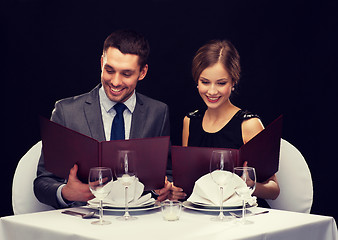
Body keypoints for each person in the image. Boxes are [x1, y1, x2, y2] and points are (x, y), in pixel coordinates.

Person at [34, 29, 171, 209]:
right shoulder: (66, 111)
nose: (115, 82)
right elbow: (42, 182)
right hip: (84, 223)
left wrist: (165, 188)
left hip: (137, 221)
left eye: (126, 74)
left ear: (142, 72)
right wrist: (66, 193)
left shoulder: (158, 113)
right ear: (101, 63)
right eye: (109, 70)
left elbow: (167, 174)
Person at [170, 40, 280, 204]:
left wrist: (250, 185)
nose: (212, 91)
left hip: (238, 217)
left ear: (233, 82)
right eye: (205, 82)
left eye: (221, 83)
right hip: (198, 215)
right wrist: (176, 190)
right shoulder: (190, 121)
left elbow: (274, 190)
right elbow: (188, 182)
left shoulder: (248, 124)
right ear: (197, 81)